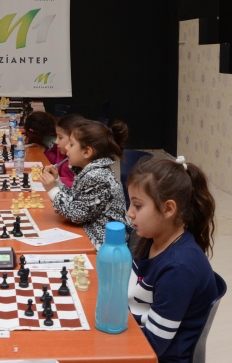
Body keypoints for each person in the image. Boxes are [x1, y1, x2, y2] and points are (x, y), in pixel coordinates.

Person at [126, 156, 218, 363]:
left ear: (168, 209)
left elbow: (152, 346)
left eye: (137, 205)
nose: (129, 213)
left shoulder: (178, 268)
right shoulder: (152, 239)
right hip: (137, 334)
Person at [40, 119, 131, 250]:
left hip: (104, 245)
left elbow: (76, 214)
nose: (66, 148)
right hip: (92, 233)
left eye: (71, 144)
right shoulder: (91, 171)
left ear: (87, 152)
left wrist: (52, 189)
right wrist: (57, 181)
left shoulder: (96, 176)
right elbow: (76, 200)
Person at [42, 114, 85, 188]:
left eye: (60, 138)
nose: (56, 141)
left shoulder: (77, 161)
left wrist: (57, 179)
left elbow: (77, 188)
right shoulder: (61, 151)